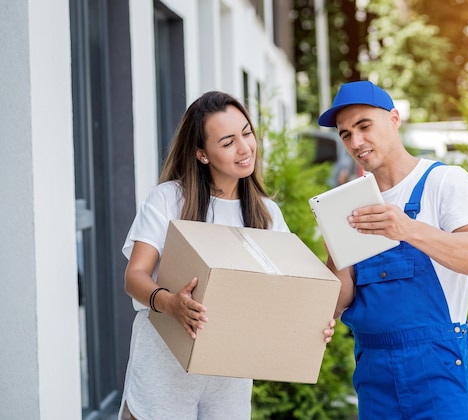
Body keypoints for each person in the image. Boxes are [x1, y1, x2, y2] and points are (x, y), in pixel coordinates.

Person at [119, 91, 335, 420]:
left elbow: (286, 293)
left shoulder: (266, 215)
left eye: (247, 133)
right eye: (228, 141)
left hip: (229, 374)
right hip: (164, 365)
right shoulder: (169, 199)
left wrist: (310, 323)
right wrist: (171, 304)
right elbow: (134, 278)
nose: (245, 147)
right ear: (202, 154)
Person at [318, 81, 468, 420]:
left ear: (394, 119)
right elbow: (337, 305)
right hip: (374, 375)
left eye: (364, 126)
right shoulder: (349, 203)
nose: (355, 142)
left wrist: (408, 229)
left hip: (439, 372)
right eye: (345, 134)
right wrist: (335, 253)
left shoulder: (445, 182)